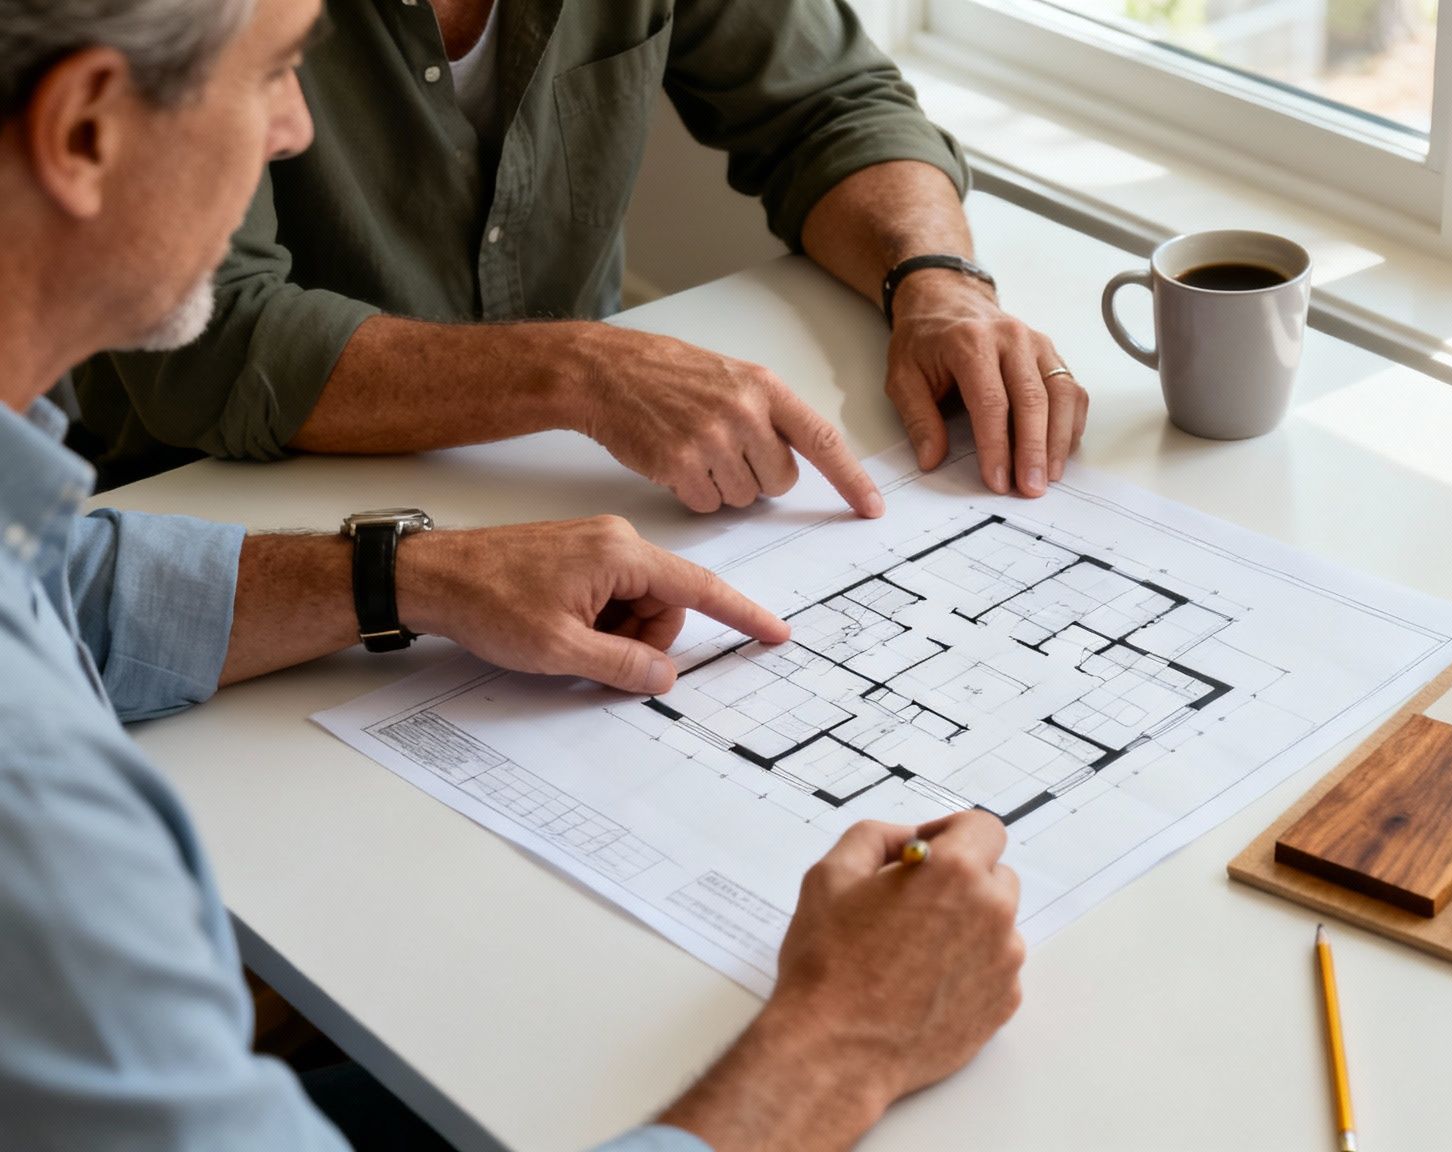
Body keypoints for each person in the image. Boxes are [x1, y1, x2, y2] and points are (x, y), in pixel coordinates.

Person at [0, 2, 1026, 1149]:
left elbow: (53, 583)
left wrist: (401, 576)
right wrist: (846, 1044)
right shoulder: (37, 813)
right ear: (85, 130)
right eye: (275, 73)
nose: (290, 130)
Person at [65, 0, 1088, 506]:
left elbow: (830, 104)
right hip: (227, 506)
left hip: (570, 489)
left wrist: (934, 282)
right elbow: (206, 340)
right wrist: (581, 373)